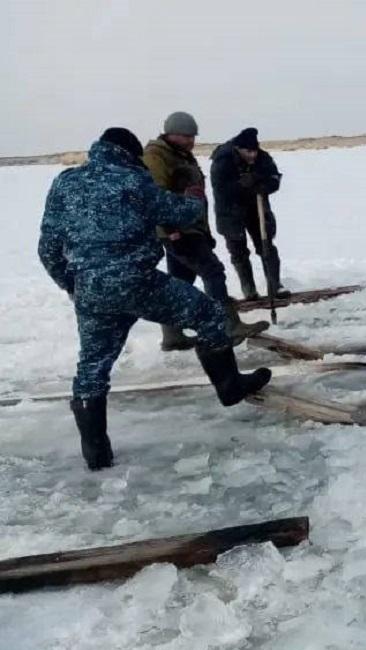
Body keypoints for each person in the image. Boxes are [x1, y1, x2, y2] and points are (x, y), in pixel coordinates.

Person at [38, 128, 272, 471]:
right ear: (128, 154)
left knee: (92, 367)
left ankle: (96, 452)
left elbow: (47, 248)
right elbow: (178, 214)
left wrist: (71, 284)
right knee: (207, 313)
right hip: (138, 283)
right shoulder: (132, 180)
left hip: (91, 290)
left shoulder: (65, 183)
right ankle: (230, 387)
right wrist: (195, 195)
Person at [143, 112, 268, 350]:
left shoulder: (180, 154)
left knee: (181, 281)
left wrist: (204, 231)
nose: (191, 141)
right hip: (178, 229)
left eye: (192, 136)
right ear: (170, 133)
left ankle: (172, 335)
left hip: (190, 227)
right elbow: (154, 195)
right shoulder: (157, 156)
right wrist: (169, 228)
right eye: (185, 136)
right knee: (213, 272)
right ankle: (226, 325)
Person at [210, 127, 290, 301]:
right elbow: (222, 189)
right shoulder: (223, 160)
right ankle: (249, 289)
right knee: (238, 251)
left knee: (266, 246)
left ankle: (275, 285)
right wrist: (242, 185)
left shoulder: (263, 157)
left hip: (257, 209)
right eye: (248, 151)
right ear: (238, 148)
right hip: (230, 212)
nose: (253, 155)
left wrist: (263, 185)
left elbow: (274, 177)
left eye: (254, 151)